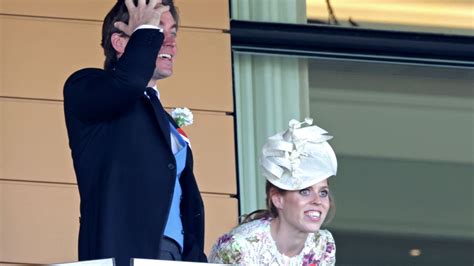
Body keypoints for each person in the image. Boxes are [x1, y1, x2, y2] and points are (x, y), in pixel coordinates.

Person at [63, 0, 206, 265]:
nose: (170, 42)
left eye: (172, 32)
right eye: (157, 30)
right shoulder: (85, 86)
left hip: (175, 254)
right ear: (120, 43)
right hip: (127, 253)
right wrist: (145, 32)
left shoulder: (163, 118)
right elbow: (126, 85)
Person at [209, 118, 337, 265]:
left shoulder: (322, 244)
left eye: (323, 193)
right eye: (305, 191)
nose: (317, 201)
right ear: (277, 199)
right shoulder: (240, 247)